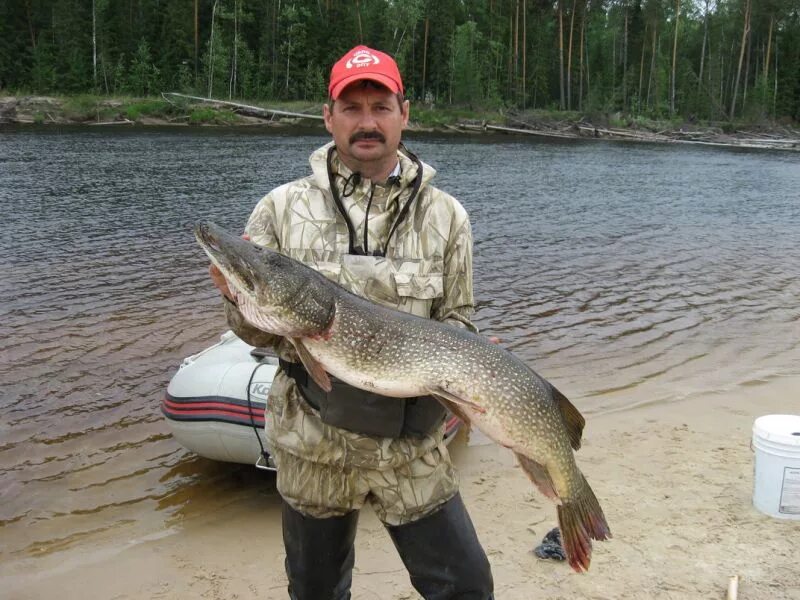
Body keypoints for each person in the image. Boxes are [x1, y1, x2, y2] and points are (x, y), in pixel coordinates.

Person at [210, 45, 494, 600]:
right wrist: (237, 301)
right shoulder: (279, 209)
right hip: (312, 442)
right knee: (315, 591)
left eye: (380, 106)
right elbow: (255, 333)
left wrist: (467, 362)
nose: (367, 122)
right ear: (328, 116)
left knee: (467, 587)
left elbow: (459, 318)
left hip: (410, 450)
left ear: (404, 114)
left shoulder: (447, 217)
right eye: (352, 107)